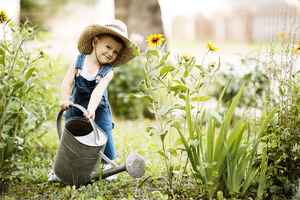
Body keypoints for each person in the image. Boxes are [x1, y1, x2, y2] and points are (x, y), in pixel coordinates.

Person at [51, 19, 136, 181]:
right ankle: (62, 167)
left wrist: (91, 109)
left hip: (99, 107)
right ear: (95, 42)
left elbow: (98, 92)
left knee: (104, 132)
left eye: (116, 52)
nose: (111, 53)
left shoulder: (108, 71)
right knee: (70, 133)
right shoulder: (78, 62)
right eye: (108, 47)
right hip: (75, 104)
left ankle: (107, 163)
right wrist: (64, 98)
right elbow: (67, 82)